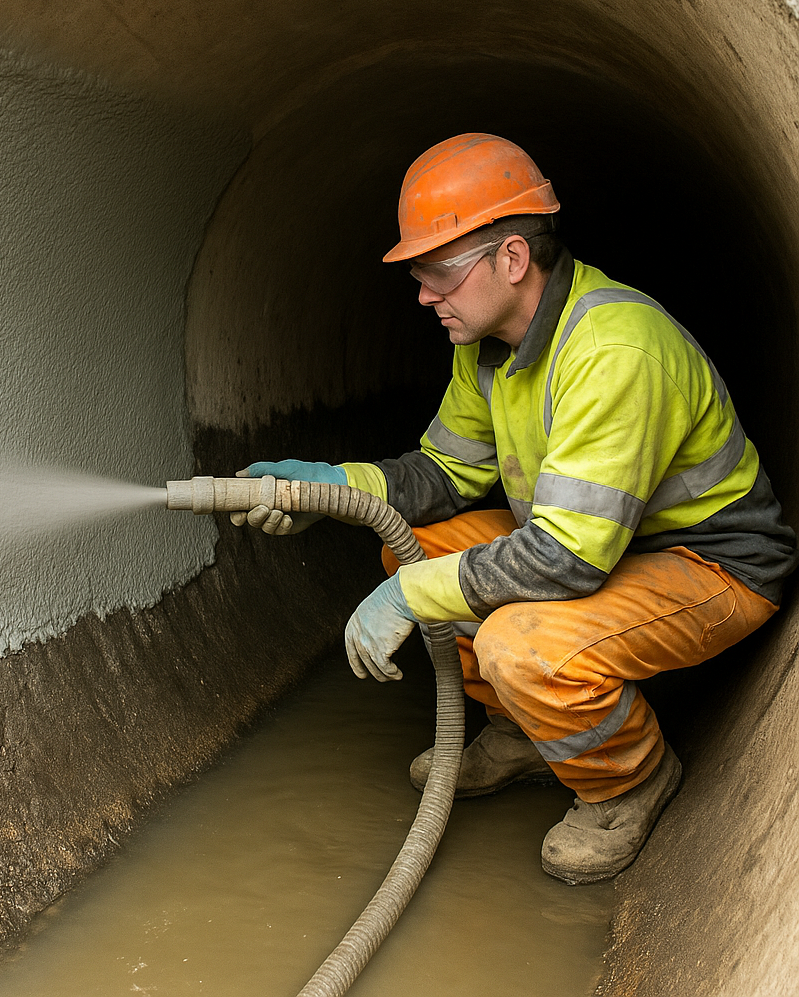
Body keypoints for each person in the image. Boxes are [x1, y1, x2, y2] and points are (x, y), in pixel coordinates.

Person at [232, 133, 797, 884]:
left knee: (521, 647)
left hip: (709, 567)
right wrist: (325, 488)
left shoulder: (614, 351)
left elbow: (564, 560)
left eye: (437, 272)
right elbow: (440, 477)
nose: (424, 295)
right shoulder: (488, 346)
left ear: (512, 259)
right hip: (595, 546)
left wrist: (409, 594)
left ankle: (628, 782)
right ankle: (524, 732)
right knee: (416, 545)